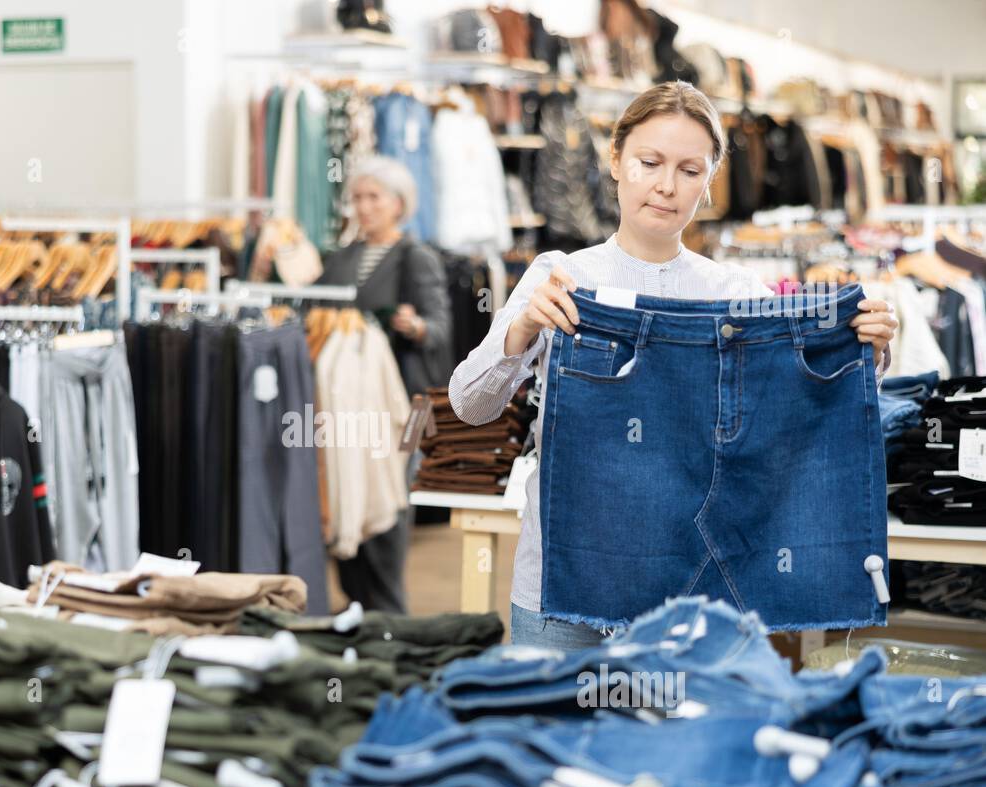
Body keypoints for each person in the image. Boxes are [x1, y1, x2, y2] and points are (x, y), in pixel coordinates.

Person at [450, 81, 899, 649]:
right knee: (553, 734)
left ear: (709, 182)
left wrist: (866, 351)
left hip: (695, 597)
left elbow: (795, 415)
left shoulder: (735, 294)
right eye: (649, 162)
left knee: (687, 736)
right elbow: (469, 405)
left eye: (690, 170)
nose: (666, 186)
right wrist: (522, 329)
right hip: (562, 593)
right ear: (615, 159)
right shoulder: (562, 278)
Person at [318, 156, 453, 612]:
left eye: (374, 197)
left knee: (393, 497)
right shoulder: (342, 259)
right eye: (357, 197)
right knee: (356, 488)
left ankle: (390, 607)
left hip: (408, 403)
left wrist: (416, 327)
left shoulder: (417, 258)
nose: (364, 206)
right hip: (356, 400)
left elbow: (440, 329)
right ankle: (358, 601)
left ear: (398, 204)